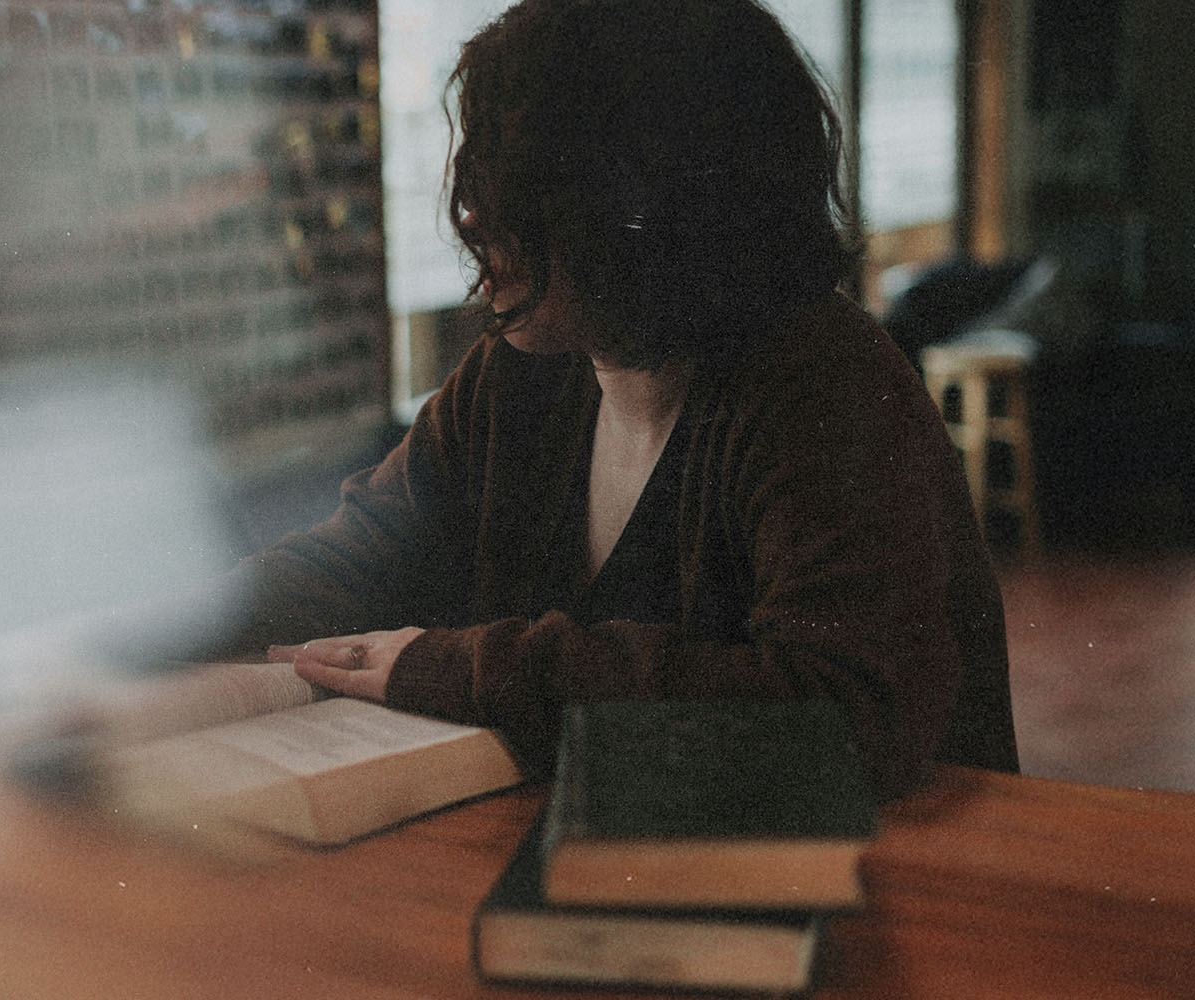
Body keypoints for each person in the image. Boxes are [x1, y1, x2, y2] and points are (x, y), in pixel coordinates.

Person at [113, 0, 1018, 799]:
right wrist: (148, 630)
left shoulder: (821, 383)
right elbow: (364, 557)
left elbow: (842, 718)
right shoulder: (524, 367)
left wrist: (461, 667)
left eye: (520, 184)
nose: (470, 214)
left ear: (645, 204)